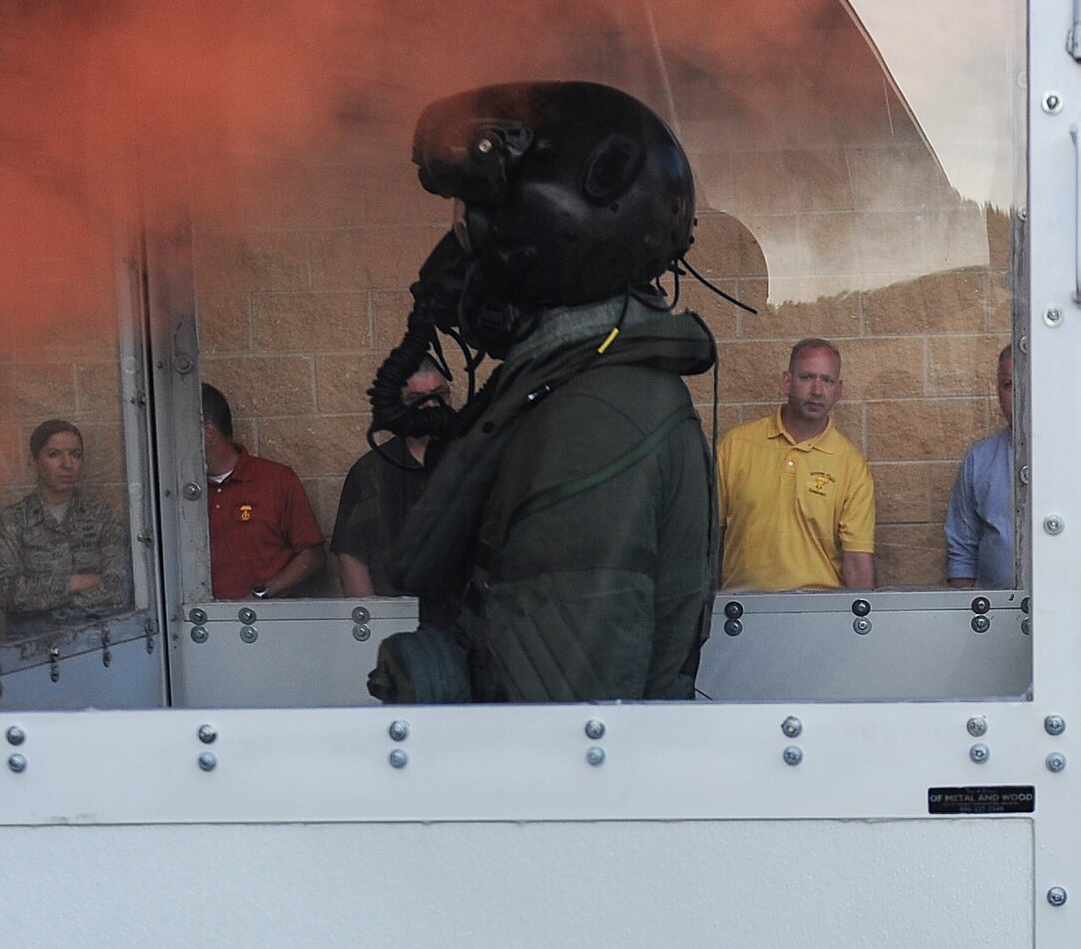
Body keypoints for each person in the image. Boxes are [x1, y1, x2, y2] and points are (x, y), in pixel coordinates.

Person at [371, 80, 717, 703]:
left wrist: (440, 680)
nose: (457, 248)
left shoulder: (594, 417)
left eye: (471, 221)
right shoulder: (576, 387)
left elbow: (566, 721)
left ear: (543, 231)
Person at [945, 344, 1081, 932]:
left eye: (1030, 384)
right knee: (997, 748)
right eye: (1009, 385)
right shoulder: (981, 460)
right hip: (998, 625)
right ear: (998, 391)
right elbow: (960, 543)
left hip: (1076, 624)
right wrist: (970, 615)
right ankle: (1006, 873)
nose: (1020, 396)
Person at [716, 338, 876, 591]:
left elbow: (857, 560)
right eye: (807, 377)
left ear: (838, 390)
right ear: (786, 382)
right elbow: (708, 539)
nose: (817, 390)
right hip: (742, 612)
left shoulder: (851, 466)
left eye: (827, 380)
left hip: (818, 612)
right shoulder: (736, 445)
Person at [0, 419, 132, 635]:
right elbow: (5, 593)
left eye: (76, 455)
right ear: (33, 461)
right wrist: (71, 583)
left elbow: (119, 588)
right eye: (54, 454)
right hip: (33, 649)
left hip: (96, 643)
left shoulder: (103, 518)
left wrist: (44, 603)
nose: (67, 464)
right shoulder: (12, 522)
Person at [332, 364, 450, 598]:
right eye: (417, 398)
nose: (430, 405)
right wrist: (373, 621)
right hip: (397, 614)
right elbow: (351, 554)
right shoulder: (372, 470)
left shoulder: (476, 458)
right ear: (400, 403)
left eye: (438, 395)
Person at [200, 384, 324, 601]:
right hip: (199, 624)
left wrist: (262, 594)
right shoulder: (177, 493)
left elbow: (312, 556)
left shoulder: (276, 479)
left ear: (208, 431)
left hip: (268, 623)